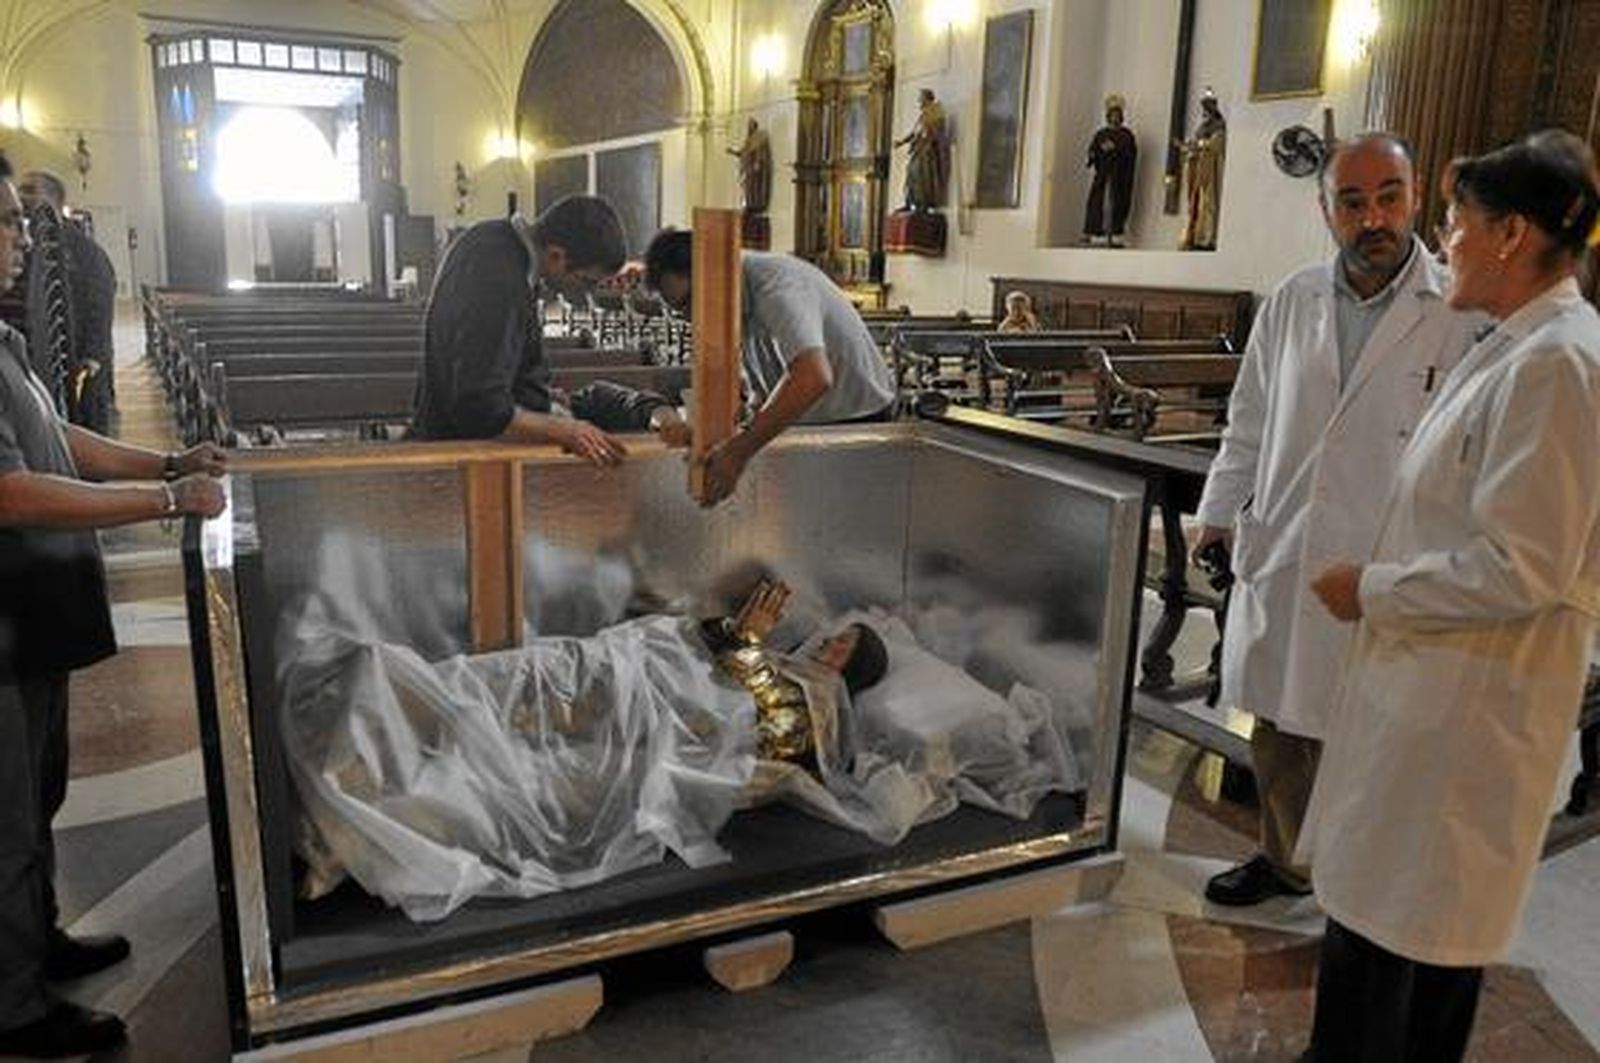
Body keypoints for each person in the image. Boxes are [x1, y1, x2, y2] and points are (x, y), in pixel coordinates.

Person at [1300, 130, 1600, 1062]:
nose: (1445, 239)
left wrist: (1371, 588)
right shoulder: (1516, 344)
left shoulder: (1560, 361)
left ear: (1512, 234)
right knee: (1398, 938)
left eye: (1457, 221)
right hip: (1431, 700)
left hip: (1466, 714)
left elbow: (1521, 565)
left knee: (1405, 955)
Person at [1192, 133, 1480, 908]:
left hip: (1393, 558)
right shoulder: (1292, 301)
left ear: (1415, 198)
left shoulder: (1460, 310)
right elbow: (1249, 418)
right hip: (1290, 543)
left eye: (1388, 197)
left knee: (1379, 732)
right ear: (1327, 212)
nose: (1372, 218)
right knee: (1282, 723)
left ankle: (1363, 884)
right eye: (1352, 203)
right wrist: (1216, 511)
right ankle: (1286, 861)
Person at [279, 576, 892, 921]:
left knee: (529, 783)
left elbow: (756, 730)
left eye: (846, 647)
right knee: (515, 680)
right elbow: (707, 656)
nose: (830, 643)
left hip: (658, 742)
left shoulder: (819, 708)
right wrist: (733, 635)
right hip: (633, 678)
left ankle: (353, 831)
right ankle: (372, 713)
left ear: (853, 673)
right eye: (837, 635)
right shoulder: (783, 661)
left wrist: (744, 645)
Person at [0, 150, 228, 1059]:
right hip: (3, 626)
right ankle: (14, 1006)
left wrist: (168, 461)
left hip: (33, 621)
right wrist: (165, 500)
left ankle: (37, 938)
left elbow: (61, 441)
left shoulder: (4, 340)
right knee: (4, 816)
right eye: (8, 222)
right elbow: (11, 492)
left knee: (37, 795)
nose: (24, 239)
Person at [410, 194, 689, 461]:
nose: (586, 293)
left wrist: (538, 395)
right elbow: (480, 408)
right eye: (587, 281)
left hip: (484, 442)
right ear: (557, 255)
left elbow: (491, 367)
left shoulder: (495, 243)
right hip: (469, 457)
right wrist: (567, 431)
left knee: (603, 401)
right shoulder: (497, 274)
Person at [642, 228, 896, 505]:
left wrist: (737, 452)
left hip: (857, 422)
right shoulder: (732, 293)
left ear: (710, 273)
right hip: (812, 424)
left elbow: (813, 376)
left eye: (688, 303)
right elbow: (763, 384)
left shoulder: (776, 285)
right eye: (679, 312)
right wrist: (733, 421)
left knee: (838, 519)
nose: (692, 319)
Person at [18, 172, 117, 435]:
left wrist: (91, 358)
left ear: (54, 199)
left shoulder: (86, 251)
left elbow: (100, 305)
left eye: (30, 190)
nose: (22, 196)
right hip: (43, 362)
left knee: (85, 431)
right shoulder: (27, 243)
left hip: (78, 363)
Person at [1084, 94, 1137, 247]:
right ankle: (1095, 230)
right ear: (1108, 116)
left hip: (1118, 176)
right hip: (1103, 174)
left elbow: (1130, 153)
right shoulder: (1101, 134)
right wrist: (1094, 154)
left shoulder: (1126, 135)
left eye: (1117, 115)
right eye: (1112, 115)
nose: (1115, 118)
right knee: (1097, 200)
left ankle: (1115, 231)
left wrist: (1115, 149)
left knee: (1117, 202)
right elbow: (1093, 150)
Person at [1179, 90, 1226, 250]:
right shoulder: (1202, 127)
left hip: (1210, 168)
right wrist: (1188, 147)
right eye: (1204, 108)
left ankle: (1206, 237)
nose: (1205, 111)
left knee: (1207, 202)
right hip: (1198, 167)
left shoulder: (1219, 125)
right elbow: (1197, 142)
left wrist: (1199, 144)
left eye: (1208, 107)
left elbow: (1217, 144)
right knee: (1195, 201)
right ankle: (1193, 235)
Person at [895, 89, 949, 213]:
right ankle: (909, 202)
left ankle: (922, 204)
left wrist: (930, 138)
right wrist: (901, 142)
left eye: (921, 99)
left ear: (927, 99)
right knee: (910, 175)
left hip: (926, 151)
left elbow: (937, 133)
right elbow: (914, 133)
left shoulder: (936, 113)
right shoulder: (922, 116)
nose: (919, 101)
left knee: (922, 178)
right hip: (918, 149)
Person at [727, 118, 772, 215]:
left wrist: (757, 163)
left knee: (754, 188)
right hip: (747, 170)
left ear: (754, 127)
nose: (749, 128)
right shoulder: (748, 140)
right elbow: (743, 152)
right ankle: (749, 204)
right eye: (748, 126)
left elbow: (761, 154)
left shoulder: (760, 139)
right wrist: (733, 152)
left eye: (750, 126)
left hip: (754, 171)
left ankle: (755, 205)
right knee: (747, 189)